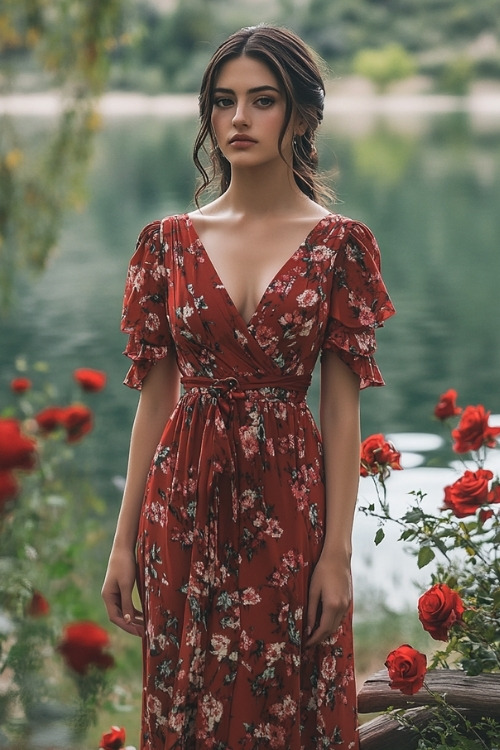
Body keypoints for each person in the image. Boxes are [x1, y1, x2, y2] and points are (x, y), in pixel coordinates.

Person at [102, 24, 395, 750]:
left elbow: (339, 409)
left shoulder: (339, 245)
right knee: (186, 688)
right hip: (182, 503)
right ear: (207, 115)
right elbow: (155, 402)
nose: (238, 118)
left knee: (285, 692)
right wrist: (121, 543)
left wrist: (336, 554)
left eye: (261, 100)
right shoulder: (166, 242)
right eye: (223, 101)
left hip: (288, 505)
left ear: (298, 115)